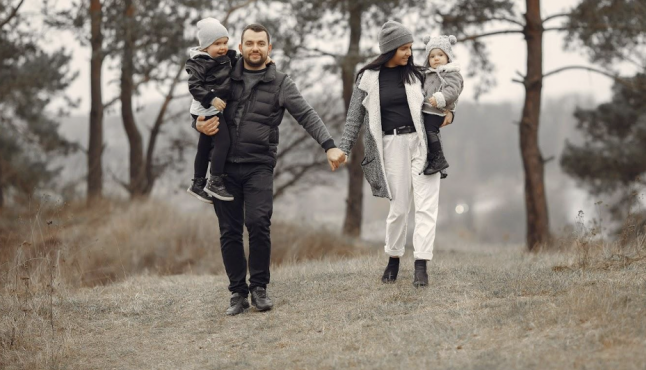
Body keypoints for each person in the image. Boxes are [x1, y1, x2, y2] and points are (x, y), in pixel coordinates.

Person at [195, 23, 347, 315]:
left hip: (258, 166)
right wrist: (197, 123)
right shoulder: (223, 73)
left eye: (260, 44)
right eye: (249, 43)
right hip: (222, 169)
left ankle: (259, 288)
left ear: (269, 48)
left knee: (258, 223)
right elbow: (200, 102)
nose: (255, 48)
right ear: (239, 48)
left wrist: (329, 146)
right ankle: (238, 293)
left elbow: (307, 114)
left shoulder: (280, 83)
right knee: (229, 231)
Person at [339, 20, 452, 288]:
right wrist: (342, 149)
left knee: (426, 207)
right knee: (399, 209)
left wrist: (451, 114)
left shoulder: (421, 74)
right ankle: (393, 258)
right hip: (390, 146)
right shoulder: (367, 78)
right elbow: (354, 118)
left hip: (422, 143)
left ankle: (421, 264)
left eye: (411, 48)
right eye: (403, 48)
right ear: (388, 49)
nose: (409, 53)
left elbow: (448, 93)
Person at [185, 18, 237, 203]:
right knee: (223, 142)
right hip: (206, 108)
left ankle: (198, 183)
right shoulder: (199, 63)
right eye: (217, 44)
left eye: (225, 42)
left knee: (204, 146)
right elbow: (195, 87)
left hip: (208, 108)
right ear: (206, 46)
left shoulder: (221, 59)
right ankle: (215, 180)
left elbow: (237, 61)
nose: (223, 47)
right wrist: (212, 99)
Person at [420, 34, 464, 177]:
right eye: (432, 56)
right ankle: (437, 164)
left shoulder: (451, 73)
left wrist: (441, 98)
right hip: (428, 110)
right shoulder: (427, 74)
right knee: (427, 134)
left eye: (440, 55)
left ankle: (439, 159)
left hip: (438, 111)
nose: (436, 58)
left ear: (448, 57)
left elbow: (453, 90)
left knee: (430, 131)